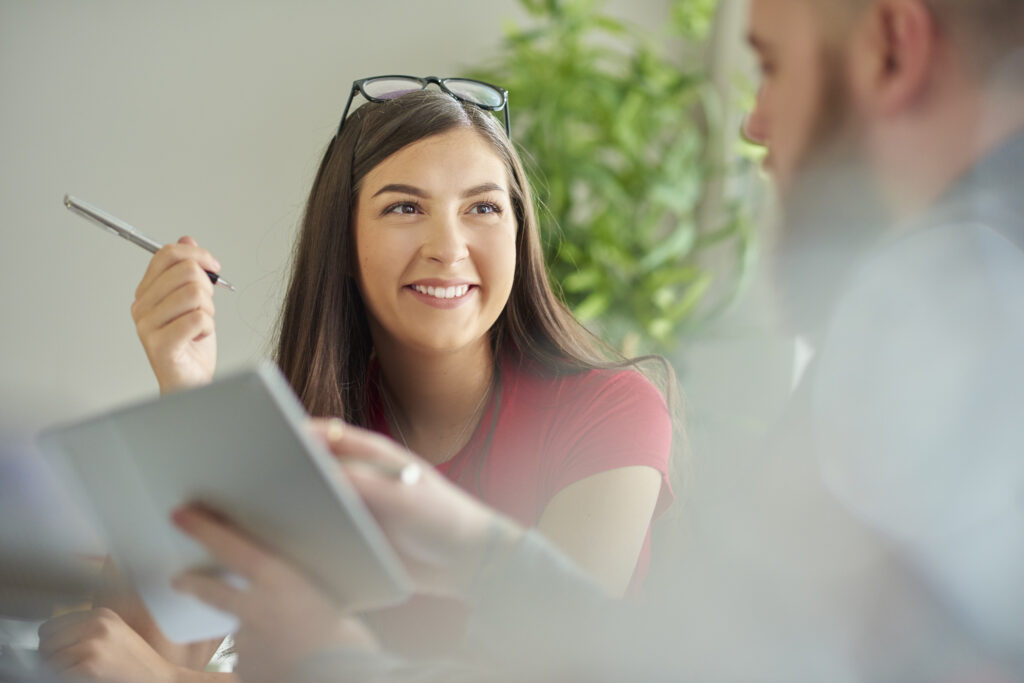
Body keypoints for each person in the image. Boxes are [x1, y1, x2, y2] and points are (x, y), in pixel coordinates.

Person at [167, 0, 1023, 679]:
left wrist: (325, 657)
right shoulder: (925, 324)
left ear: (893, 52)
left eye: (769, 64)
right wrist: (481, 551)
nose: (753, 124)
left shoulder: (958, 348)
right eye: (402, 206)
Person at [35, 80, 676, 680]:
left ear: (518, 232)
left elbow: (540, 672)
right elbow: (149, 647)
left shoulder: (613, 413)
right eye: (404, 207)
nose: (448, 246)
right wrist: (185, 391)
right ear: (344, 243)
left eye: (482, 206)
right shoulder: (304, 420)